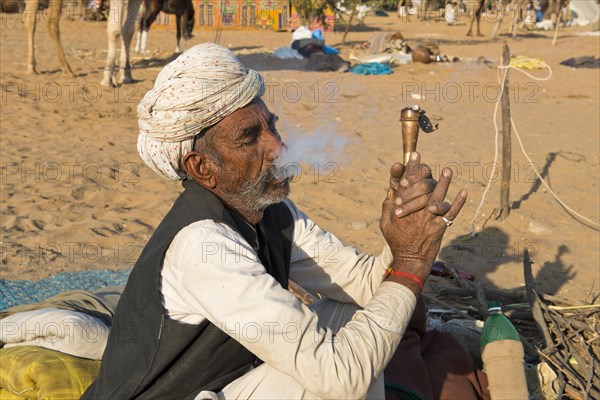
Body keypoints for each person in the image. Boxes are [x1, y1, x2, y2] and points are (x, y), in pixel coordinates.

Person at [82, 43, 471, 400]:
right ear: (202, 168)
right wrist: (410, 266)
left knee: (364, 321)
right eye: (250, 137)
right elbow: (342, 376)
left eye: (272, 126)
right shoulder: (203, 247)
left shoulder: (269, 211)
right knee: (341, 374)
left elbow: (367, 286)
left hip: (225, 382)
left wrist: (405, 235)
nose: (278, 147)